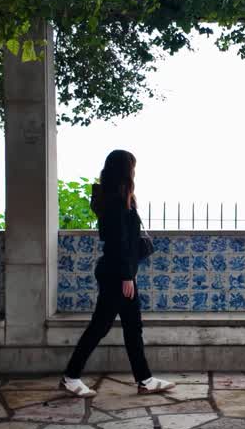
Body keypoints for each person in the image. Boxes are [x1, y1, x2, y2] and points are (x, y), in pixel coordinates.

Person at [61, 150, 175, 398]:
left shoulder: (116, 197)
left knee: (131, 327)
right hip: (116, 273)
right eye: (133, 167)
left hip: (120, 271)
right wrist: (126, 276)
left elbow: (124, 241)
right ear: (125, 170)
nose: (135, 171)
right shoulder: (115, 201)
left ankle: (144, 379)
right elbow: (118, 242)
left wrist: (129, 274)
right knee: (100, 327)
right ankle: (71, 377)